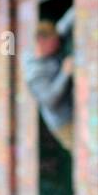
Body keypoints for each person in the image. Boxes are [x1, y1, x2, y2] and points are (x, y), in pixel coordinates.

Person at [22, 9, 75, 151]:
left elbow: (68, 18)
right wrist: (65, 73)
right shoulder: (34, 73)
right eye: (54, 42)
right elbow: (49, 100)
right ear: (41, 41)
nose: (58, 45)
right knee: (83, 155)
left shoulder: (54, 38)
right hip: (64, 122)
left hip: (74, 109)